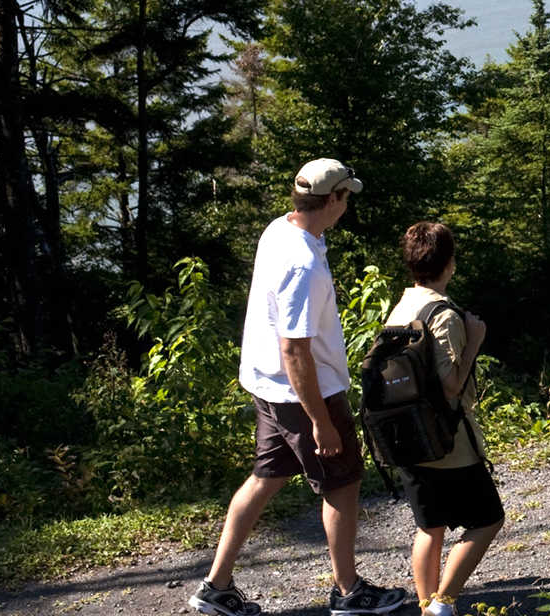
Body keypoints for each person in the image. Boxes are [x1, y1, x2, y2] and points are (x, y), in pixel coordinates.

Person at [191, 159, 407, 616]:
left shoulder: (281, 229)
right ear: (332, 200)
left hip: (268, 386)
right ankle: (349, 593)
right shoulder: (303, 262)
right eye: (346, 196)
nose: (348, 203)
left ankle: (216, 586)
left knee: (266, 476)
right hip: (305, 394)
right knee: (343, 484)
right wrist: (320, 423)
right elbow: (295, 351)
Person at [385, 221, 505, 616]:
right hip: (447, 441)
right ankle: (444, 601)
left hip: (406, 437)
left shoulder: (401, 307)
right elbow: (450, 386)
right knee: (488, 519)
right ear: (449, 264)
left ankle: (425, 606)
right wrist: (474, 342)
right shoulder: (444, 315)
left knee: (429, 525)